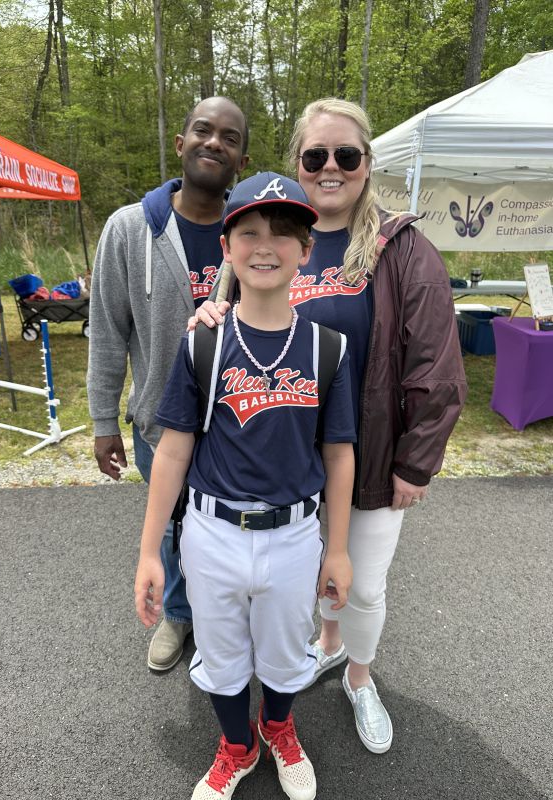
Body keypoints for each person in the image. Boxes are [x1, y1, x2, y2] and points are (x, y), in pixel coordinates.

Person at [193, 98, 467, 755]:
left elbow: (439, 366)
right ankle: (324, 646)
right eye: (316, 156)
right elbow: (224, 325)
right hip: (279, 462)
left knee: (363, 584)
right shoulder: (273, 236)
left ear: (368, 165)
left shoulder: (400, 249)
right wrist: (207, 316)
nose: (331, 167)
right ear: (299, 165)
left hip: (366, 460)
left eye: (347, 155)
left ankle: (359, 677)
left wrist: (415, 463)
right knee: (301, 582)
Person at [134, 172, 356, 800]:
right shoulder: (204, 341)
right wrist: (151, 551)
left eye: (284, 233)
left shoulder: (327, 348)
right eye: (249, 232)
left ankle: (279, 727)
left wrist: (336, 548)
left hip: (293, 535)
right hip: (212, 531)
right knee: (224, 658)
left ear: (306, 250)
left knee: (287, 656)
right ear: (226, 248)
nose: (266, 245)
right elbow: (173, 448)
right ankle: (238, 745)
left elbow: (340, 456)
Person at [87, 96, 249, 672]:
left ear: (241, 158)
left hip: (240, 422)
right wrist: (104, 420)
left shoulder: (251, 231)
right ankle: (179, 616)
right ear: (180, 144)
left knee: (230, 534)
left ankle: (227, 622)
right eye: (202, 131)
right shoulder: (130, 229)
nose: (214, 143)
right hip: (161, 420)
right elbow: (106, 331)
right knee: (174, 526)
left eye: (229, 137)